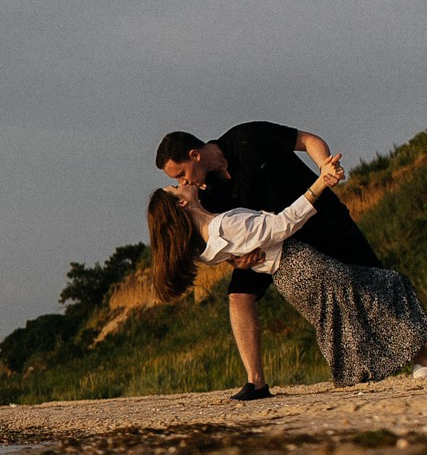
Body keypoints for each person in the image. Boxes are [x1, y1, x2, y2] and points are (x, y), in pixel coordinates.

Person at [143, 153, 427, 392]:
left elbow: (243, 245)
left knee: (375, 306)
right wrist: (321, 182)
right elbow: (284, 224)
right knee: (387, 298)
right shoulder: (226, 226)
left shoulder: (208, 242)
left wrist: (244, 255)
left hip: (291, 279)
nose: (182, 184)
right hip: (305, 265)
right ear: (179, 202)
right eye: (176, 186)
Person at [156, 122, 384, 400]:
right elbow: (231, 243)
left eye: (181, 174)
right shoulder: (207, 196)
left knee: (374, 279)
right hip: (274, 248)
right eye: (177, 181)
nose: (183, 183)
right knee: (239, 295)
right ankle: (256, 382)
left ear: (194, 155)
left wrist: (325, 167)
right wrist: (240, 261)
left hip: (319, 218)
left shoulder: (247, 137)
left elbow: (308, 139)